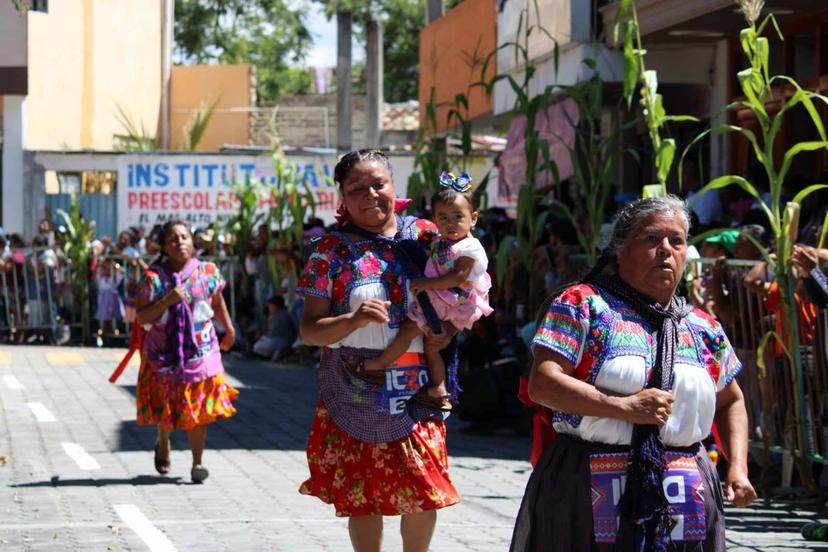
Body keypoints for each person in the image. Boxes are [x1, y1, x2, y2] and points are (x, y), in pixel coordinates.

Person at [511, 196, 756, 551]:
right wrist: (624, 407)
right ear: (619, 249)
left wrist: (738, 468)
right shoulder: (583, 305)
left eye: (677, 241)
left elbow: (731, 400)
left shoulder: (703, 326)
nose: (666, 250)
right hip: (586, 482)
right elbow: (543, 383)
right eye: (651, 239)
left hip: (686, 488)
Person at [298, 149, 460, 551]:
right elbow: (309, 330)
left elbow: (463, 288)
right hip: (354, 383)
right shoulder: (328, 252)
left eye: (378, 184)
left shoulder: (426, 235)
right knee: (362, 491)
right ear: (342, 198)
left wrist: (451, 330)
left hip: (418, 380)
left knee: (424, 482)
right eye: (357, 189)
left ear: (394, 184)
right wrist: (352, 321)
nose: (370, 194)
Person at [361, 171, 493, 410]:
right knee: (432, 347)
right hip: (444, 301)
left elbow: (458, 276)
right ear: (434, 219)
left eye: (458, 216)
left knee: (410, 329)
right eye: (443, 217)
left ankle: (380, 363)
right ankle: (440, 389)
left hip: (451, 302)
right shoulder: (441, 242)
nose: (450, 223)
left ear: (473, 219)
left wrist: (425, 283)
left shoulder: (470, 247)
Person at [135, 220, 237, 483]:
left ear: (192, 241)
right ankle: (164, 439)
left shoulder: (208, 271)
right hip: (163, 354)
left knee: (199, 408)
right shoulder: (153, 279)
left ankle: (197, 462)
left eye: (184, 237)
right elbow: (142, 315)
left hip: (203, 350)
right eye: (172, 239)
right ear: (164, 247)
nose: (179, 242)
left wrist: (228, 328)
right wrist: (168, 300)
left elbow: (216, 299)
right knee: (168, 403)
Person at [252, 295, 296, 360]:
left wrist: (261, 336)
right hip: (288, 341)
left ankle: (269, 354)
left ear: (275, 306)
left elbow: (272, 332)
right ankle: (277, 352)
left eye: (270, 306)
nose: (269, 308)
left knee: (256, 347)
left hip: (276, 340)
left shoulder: (273, 317)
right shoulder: (288, 314)